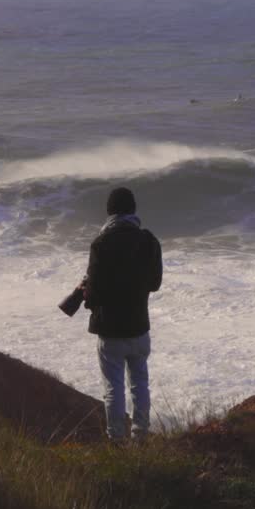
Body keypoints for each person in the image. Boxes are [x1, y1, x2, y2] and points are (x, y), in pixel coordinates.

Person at [83, 187, 163, 442]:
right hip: (139, 326)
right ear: (133, 210)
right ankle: (141, 435)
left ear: (109, 211)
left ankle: (117, 439)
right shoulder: (149, 241)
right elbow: (155, 282)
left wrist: (87, 296)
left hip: (111, 330)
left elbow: (93, 295)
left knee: (113, 389)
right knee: (140, 385)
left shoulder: (101, 243)